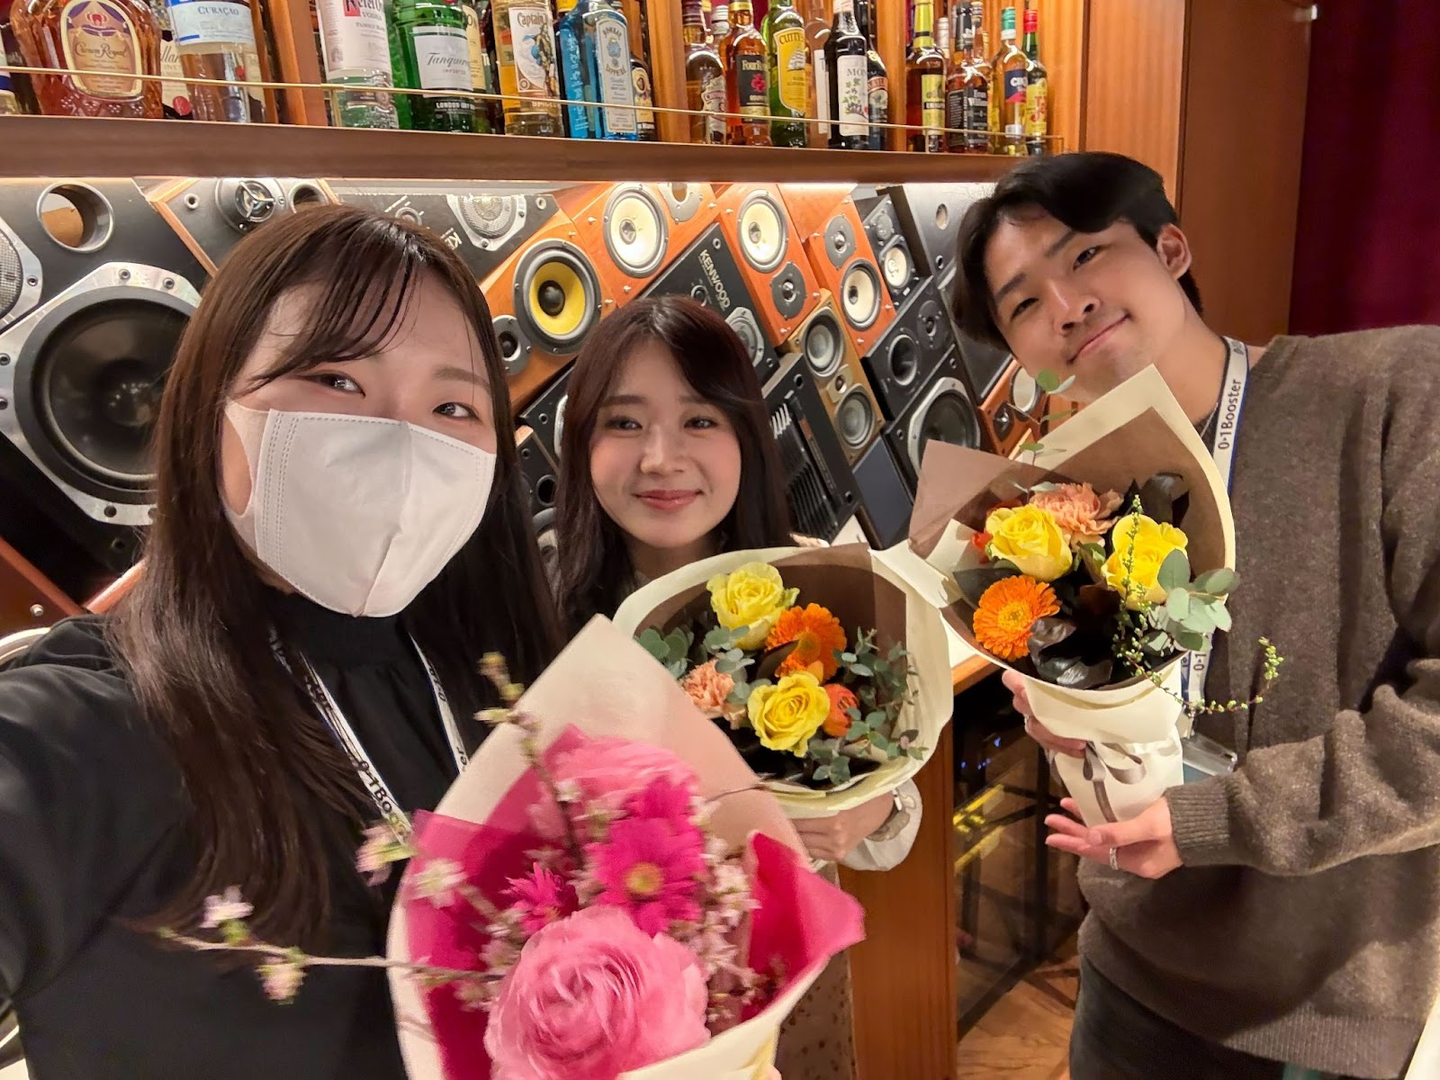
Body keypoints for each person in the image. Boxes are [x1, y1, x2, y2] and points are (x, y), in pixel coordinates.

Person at [0, 205, 562, 1078]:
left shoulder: (504, 680)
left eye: (453, 405)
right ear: (209, 408)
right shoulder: (94, 724)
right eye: (337, 380)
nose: (403, 441)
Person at [951, 150, 1440, 1080]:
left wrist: (1220, 817)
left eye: (1085, 255)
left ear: (1171, 250)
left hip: (1319, 1010)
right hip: (1128, 972)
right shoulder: (1062, 498)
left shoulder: (1393, 391)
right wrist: (1075, 719)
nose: (1066, 305)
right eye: (1024, 304)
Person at [549, 295, 922, 1080]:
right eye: (624, 422)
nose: (661, 457)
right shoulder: (542, 619)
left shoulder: (817, 588)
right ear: (581, 443)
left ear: (746, 435)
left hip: (784, 983)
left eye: (698, 420)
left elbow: (899, 789)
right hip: (609, 1011)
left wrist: (872, 811)